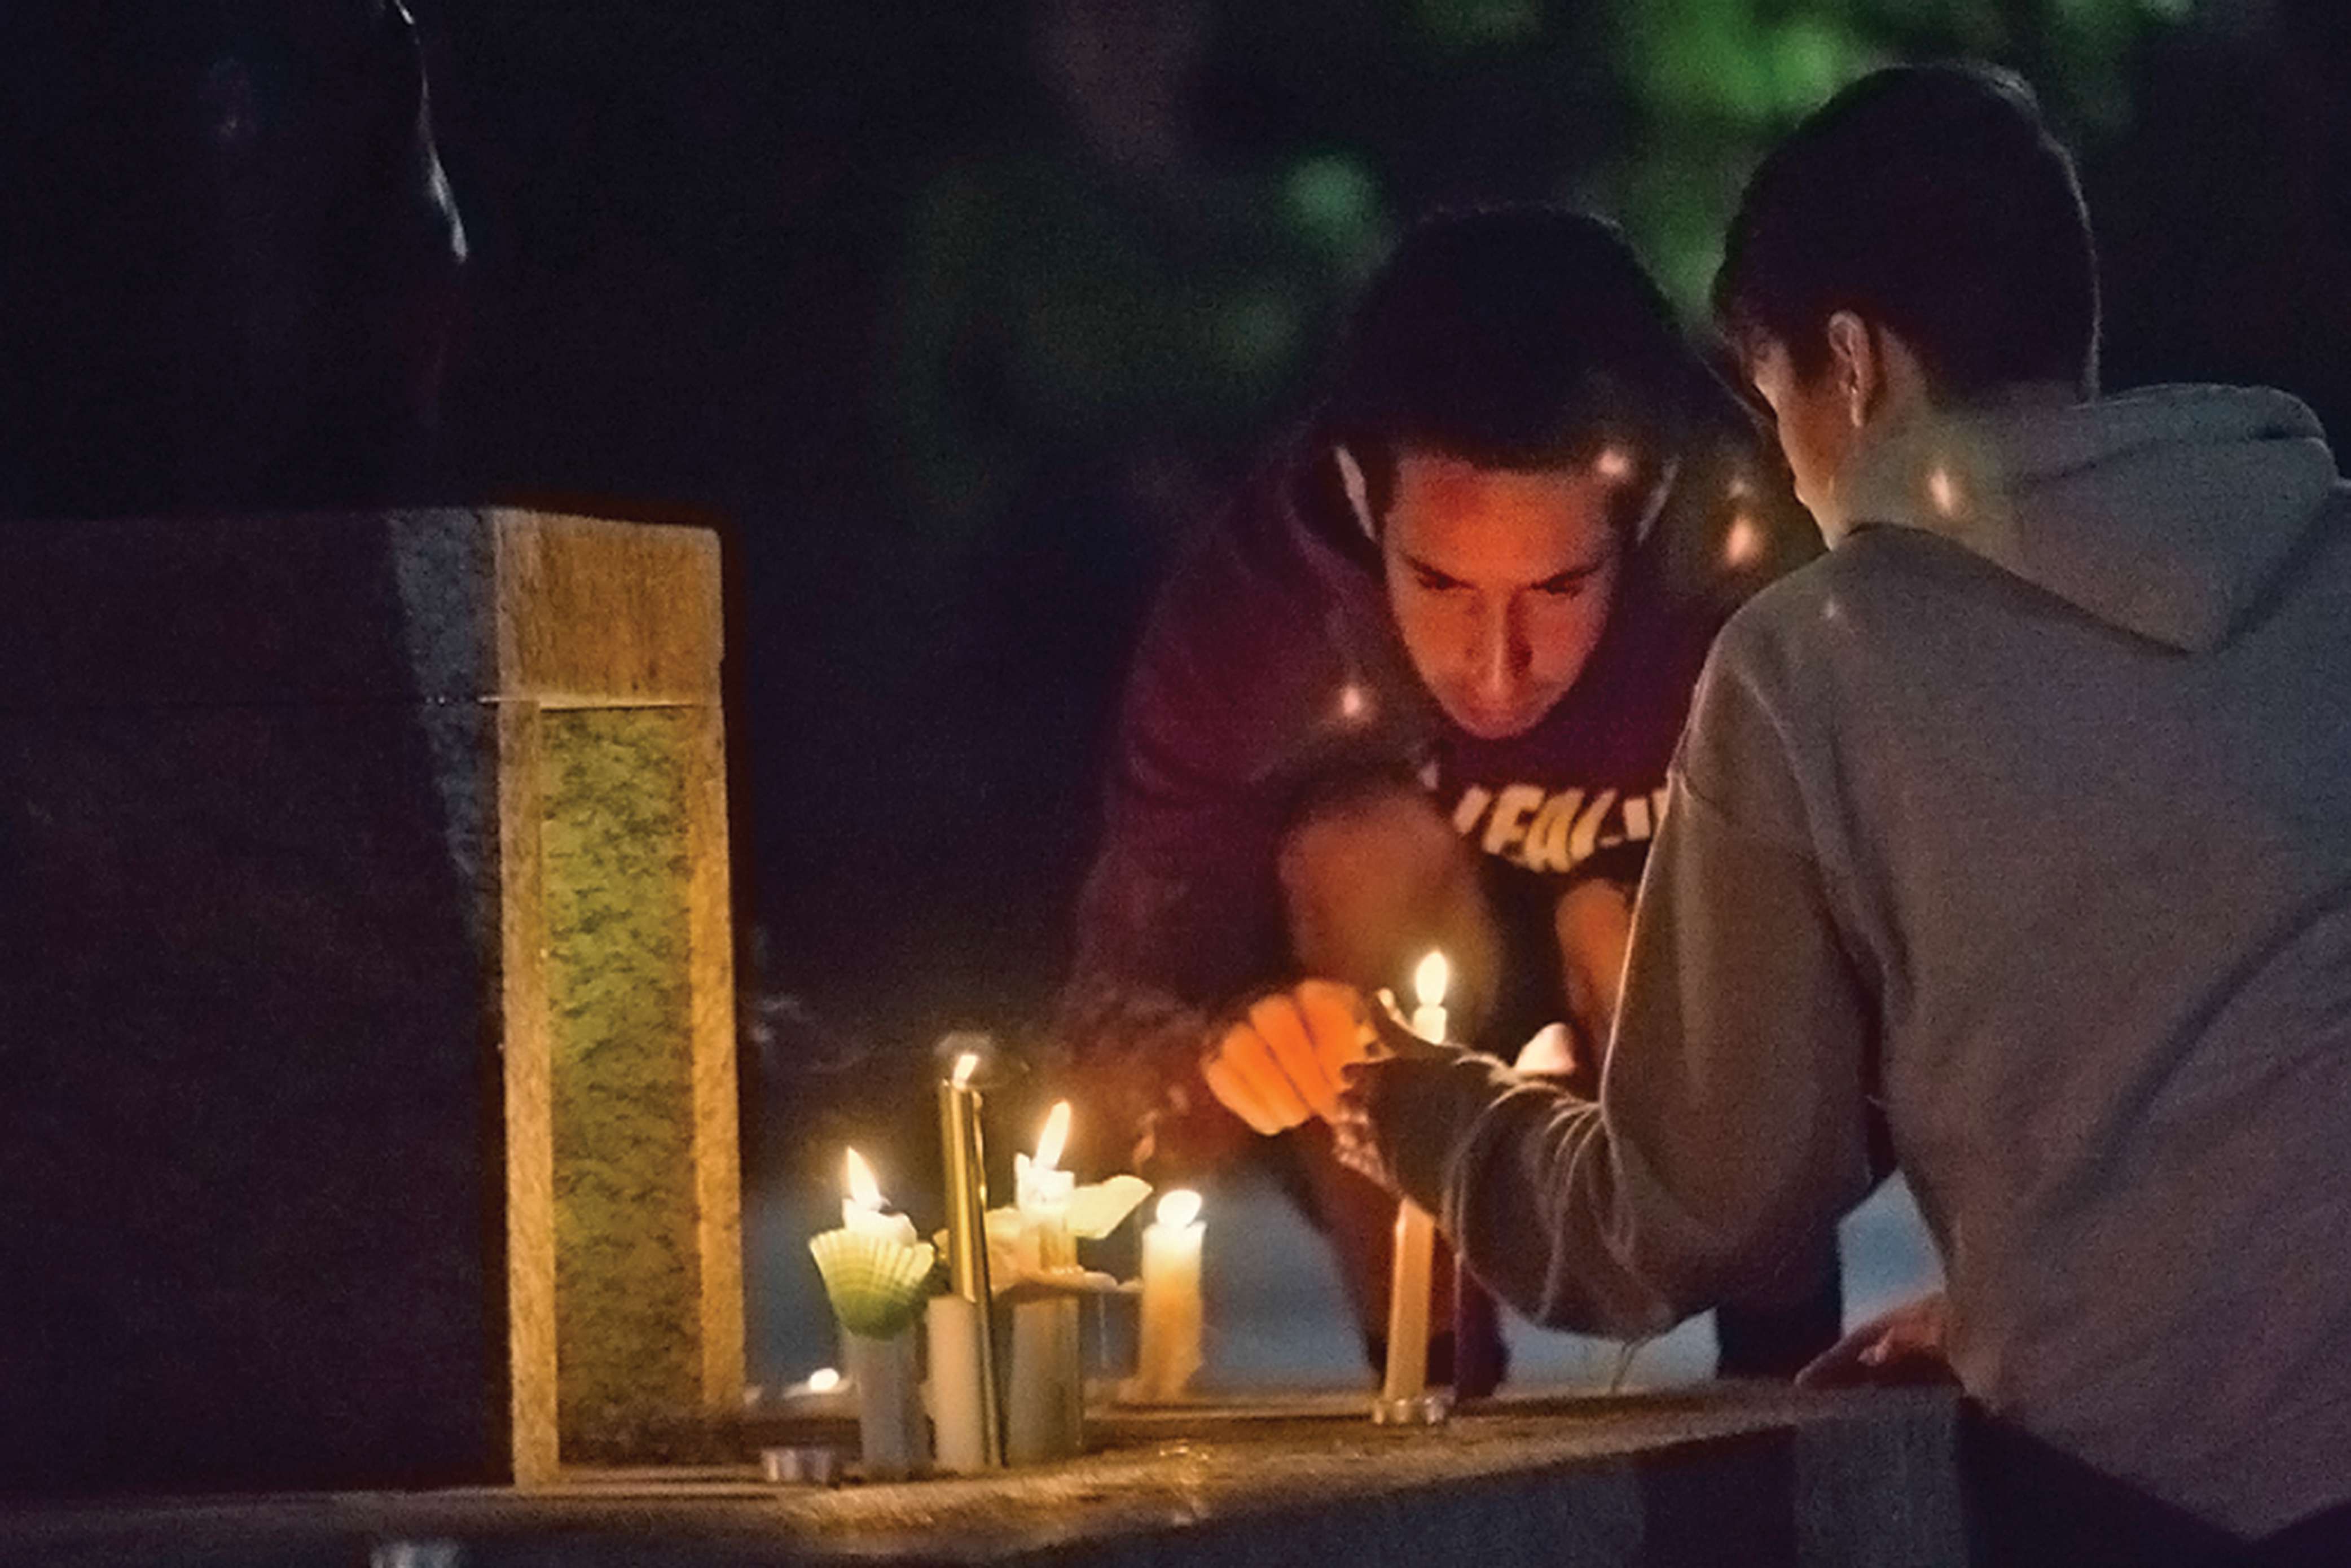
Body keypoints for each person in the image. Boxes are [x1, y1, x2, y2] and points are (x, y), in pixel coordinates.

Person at [1207, 63, 2351, 1563]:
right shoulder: (2322, 550)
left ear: (1854, 367)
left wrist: (1405, 1096)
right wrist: (2032, 1302)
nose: (1799, 477)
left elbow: (1679, 1215)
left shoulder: (1827, 654)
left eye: (1776, 402)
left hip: (2180, 1500)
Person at [1061, 203, 1829, 1391]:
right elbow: (1121, 1005)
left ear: (1645, 504)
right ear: (1365, 500)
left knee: (1638, 924)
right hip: (1406, 1079)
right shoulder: (1253, 626)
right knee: (1351, 852)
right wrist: (1229, 1045)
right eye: (1439, 580)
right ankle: (1430, 1388)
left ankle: (1786, 1380)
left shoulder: (1755, 572)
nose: (1495, 661)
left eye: (1560, 584)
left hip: (1674, 1067)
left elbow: (1920, 939)